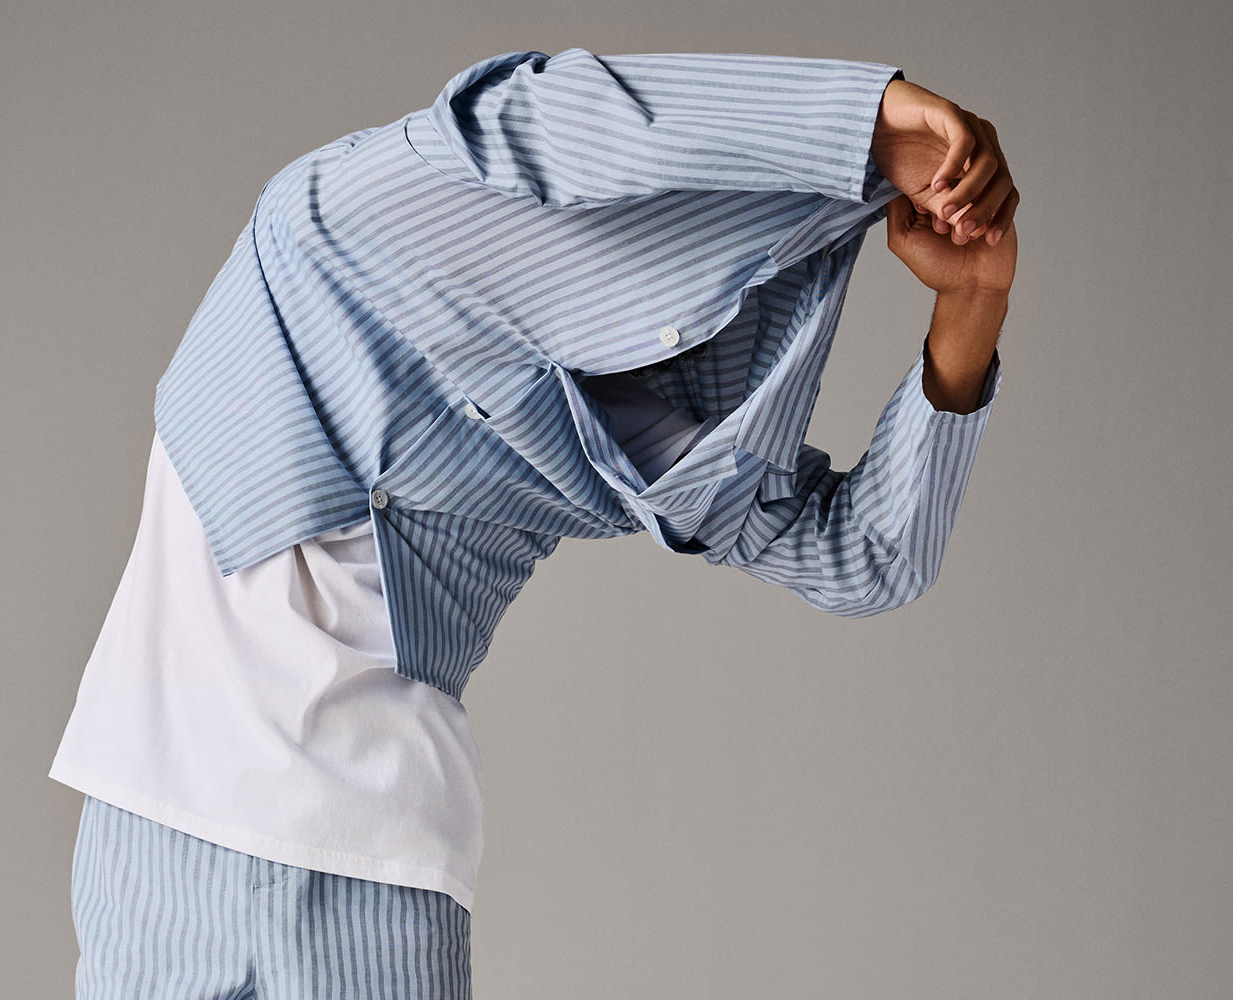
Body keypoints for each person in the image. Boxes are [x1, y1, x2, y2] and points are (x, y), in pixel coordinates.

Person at [49, 47, 1018, 1000]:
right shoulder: (355, 221)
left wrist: (970, 312)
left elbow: (869, 556)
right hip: (151, 825)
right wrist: (867, 126)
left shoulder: (638, 429)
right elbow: (557, 126)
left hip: (372, 867)